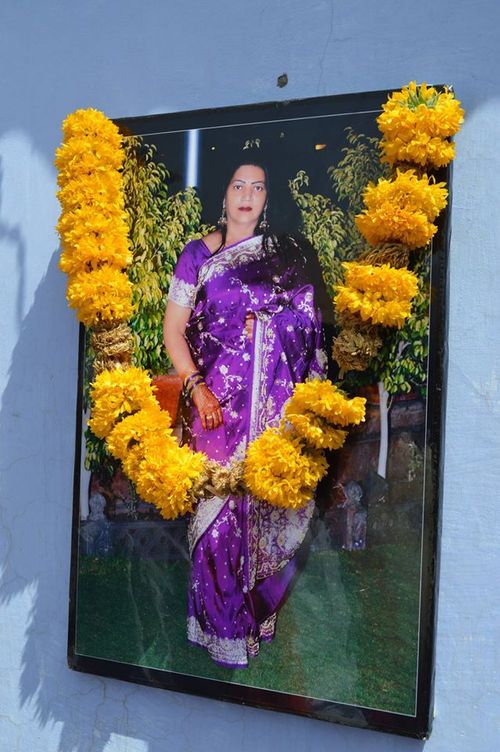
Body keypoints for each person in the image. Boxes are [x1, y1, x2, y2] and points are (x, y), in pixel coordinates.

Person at [163, 162, 328, 668]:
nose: (247, 195)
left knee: (259, 508)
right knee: (216, 520)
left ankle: (251, 618)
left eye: (258, 187)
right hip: (213, 409)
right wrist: (197, 389)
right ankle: (218, 629)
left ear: (267, 199)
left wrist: (270, 326)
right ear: (224, 194)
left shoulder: (282, 258)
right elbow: (173, 331)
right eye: (239, 185)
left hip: (267, 414)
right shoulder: (197, 255)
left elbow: (308, 319)